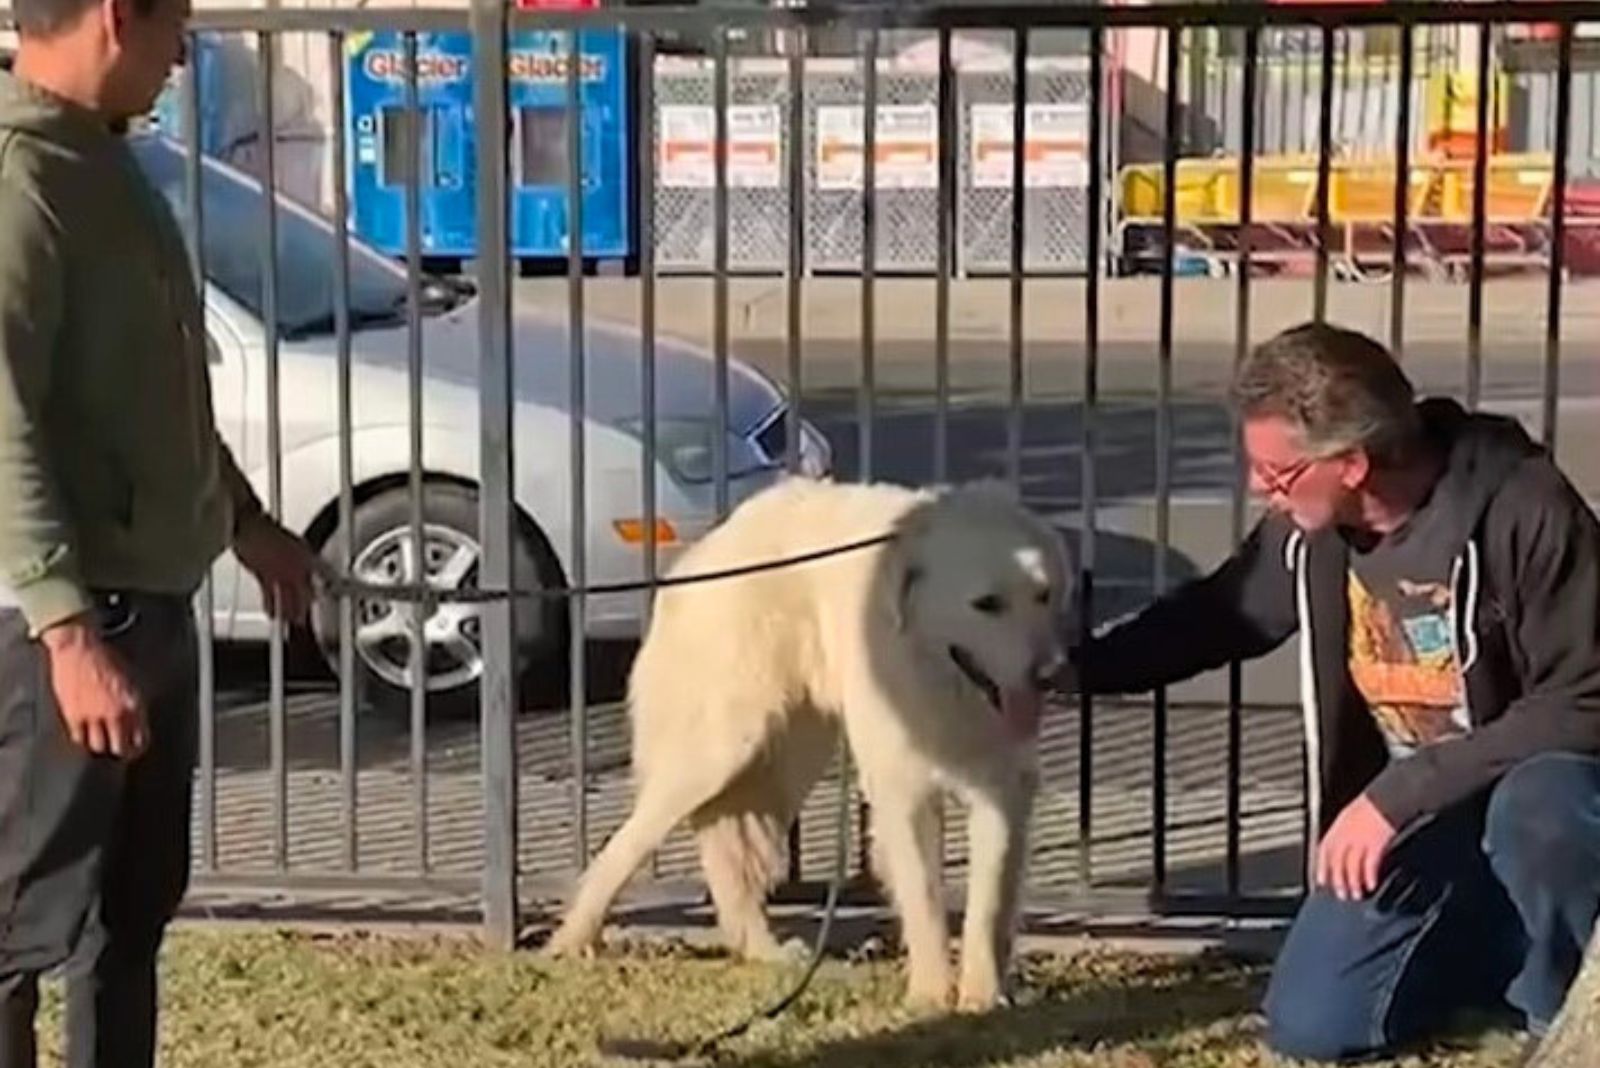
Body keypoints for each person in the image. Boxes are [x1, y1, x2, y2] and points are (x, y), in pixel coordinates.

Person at [1070, 322, 1600, 1063]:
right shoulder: (1312, 532)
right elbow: (1217, 617)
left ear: (1351, 462)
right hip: (1426, 818)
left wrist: (1402, 789)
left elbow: (1584, 700)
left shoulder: (1523, 508)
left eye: (1278, 473)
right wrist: (1071, 671)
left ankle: (1556, 1012)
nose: (1260, 487)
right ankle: (1494, 957)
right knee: (1315, 1025)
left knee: (1542, 805)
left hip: (1530, 791)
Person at [0, 0, 318, 1063]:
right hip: (66, 635)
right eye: (174, 24)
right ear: (112, 16)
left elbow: (150, 399)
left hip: (152, 610)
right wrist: (67, 634)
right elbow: (3, 423)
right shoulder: (23, 180)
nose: (183, 51)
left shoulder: (104, 163)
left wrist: (245, 522)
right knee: (16, 932)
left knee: (125, 924)